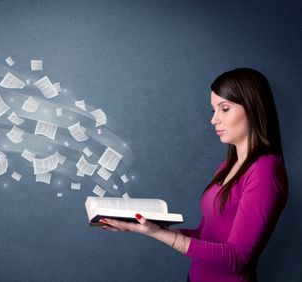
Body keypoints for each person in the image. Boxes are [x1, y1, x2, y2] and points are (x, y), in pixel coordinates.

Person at [99, 68, 288, 282]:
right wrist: (144, 227)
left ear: (253, 108)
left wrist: (157, 233)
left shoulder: (266, 169)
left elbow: (237, 259)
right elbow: (206, 235)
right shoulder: (225, 167)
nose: (214, 120)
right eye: (213, 110)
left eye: (224, 109)